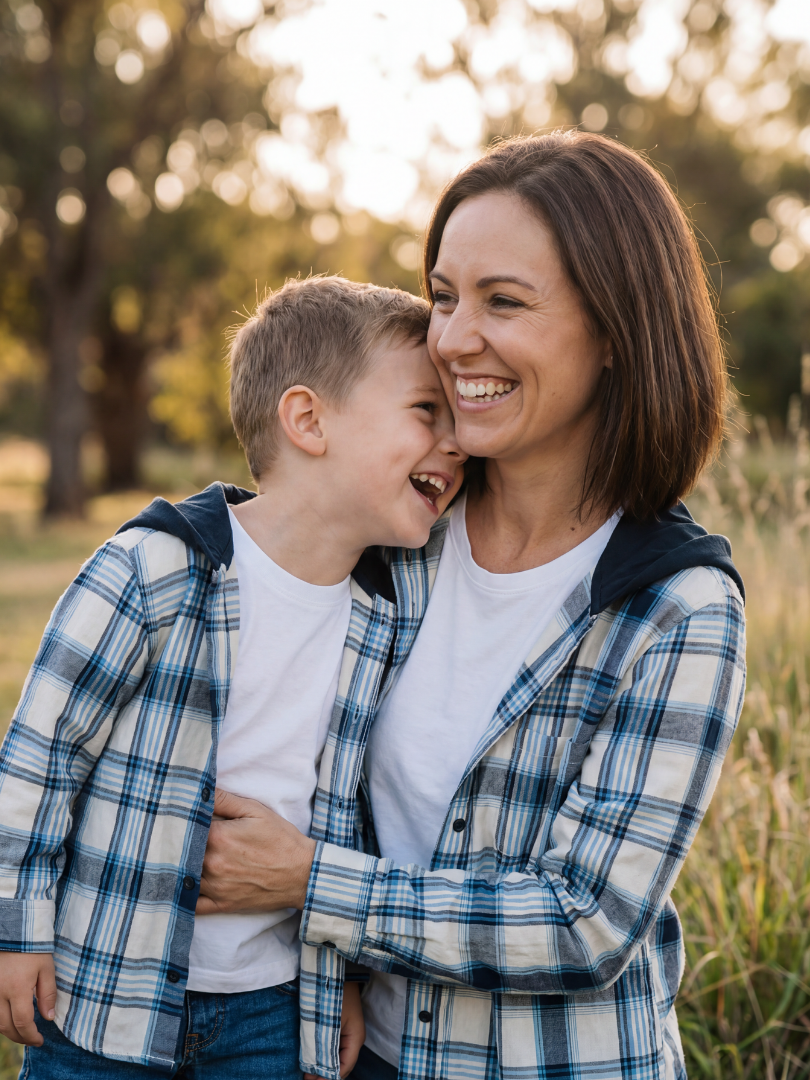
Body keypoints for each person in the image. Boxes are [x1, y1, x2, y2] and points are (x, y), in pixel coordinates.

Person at [193, 132, 748, 1080]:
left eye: (505, 302)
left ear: (616, 333)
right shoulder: (399, 539)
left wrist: (311, 885)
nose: (450, 339)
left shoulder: (679, 607)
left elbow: (584, 921)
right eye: (444, 295)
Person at [0, 276, 465, 1079]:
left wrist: (342, 982)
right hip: (105, 991)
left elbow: (350, 813)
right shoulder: (152, 571)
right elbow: (39, 761)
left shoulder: (383, 615)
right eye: (427, 411)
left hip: (272, 1008)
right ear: (308, 420)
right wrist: (15, 931)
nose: (455, 441)